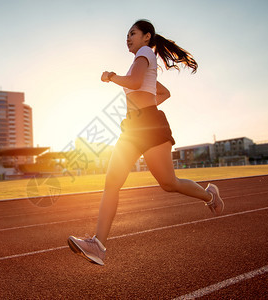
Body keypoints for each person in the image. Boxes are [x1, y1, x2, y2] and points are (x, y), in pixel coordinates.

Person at [68, 19, 224, 266]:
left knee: (169, 183)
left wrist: (111, 76)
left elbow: (135, 83)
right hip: (133, 127)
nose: (127, 38)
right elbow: (161, 93)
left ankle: (209, 196)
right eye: (126, 35)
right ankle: (98, 245)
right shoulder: (139, 62)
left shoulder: (144, 54)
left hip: (149, 126)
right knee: (112, 183)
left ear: (147, 37)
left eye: (132, 33)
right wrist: (143, 106)